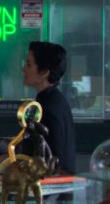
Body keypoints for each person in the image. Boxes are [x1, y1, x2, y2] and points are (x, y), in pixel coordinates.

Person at [20, 41, 76, 175]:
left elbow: (54, 155)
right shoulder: (54, 99)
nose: (24, 69)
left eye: (29, 64)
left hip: (48, 188)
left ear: (44, 72)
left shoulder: (47, 106)